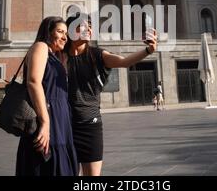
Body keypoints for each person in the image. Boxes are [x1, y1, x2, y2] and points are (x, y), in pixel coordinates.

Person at [65, 12, 157, 176]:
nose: (89, 30)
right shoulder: (60, 56)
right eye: (84, 26)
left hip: (90, 125)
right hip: (64, 125)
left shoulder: (97, 55)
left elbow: (124, 62)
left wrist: (148, 50)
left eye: (91, 27)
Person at [16, 16, 78, 176]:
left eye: (66, 33)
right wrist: (45, 122)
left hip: (61, 119)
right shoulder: (41, 46)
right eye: (60, 31)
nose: (65, 37)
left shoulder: (56, 56)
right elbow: (33, 81)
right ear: (48, 32)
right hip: (48, 117)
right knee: (46, 165)